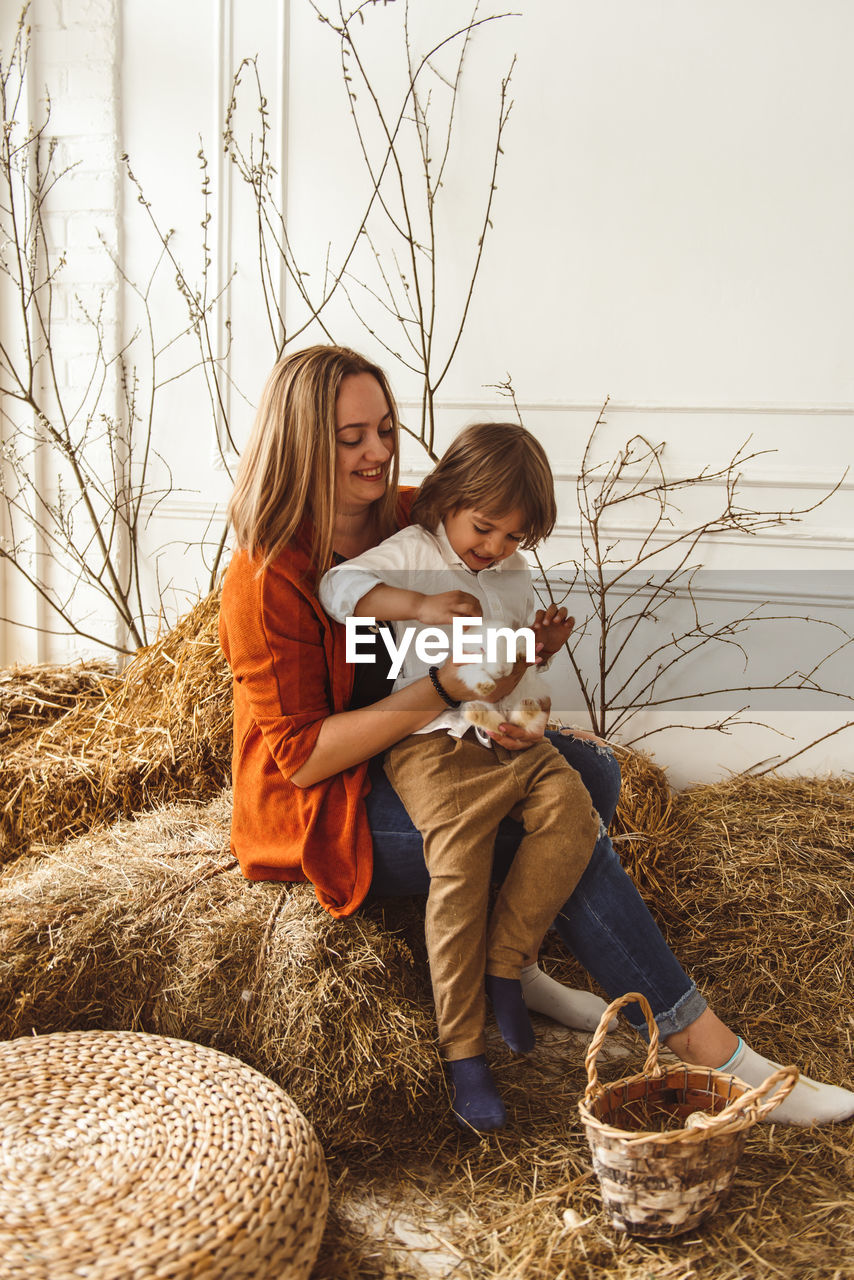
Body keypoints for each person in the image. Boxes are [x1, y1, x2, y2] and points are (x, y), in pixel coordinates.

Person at [218, 343, 854, 1133]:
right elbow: (304, 757)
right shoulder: (266, 573)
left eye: (385, 428)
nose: (378, 452)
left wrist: (517, 683)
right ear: (302, 442)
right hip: (321, 799)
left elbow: (492, 623)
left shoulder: (419, 513)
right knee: (543, 826)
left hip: (422, 742)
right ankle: (710, 1048)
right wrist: (449, 690)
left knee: (591, 778)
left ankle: (512, 961)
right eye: (351, 438)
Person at [318, 422, 603, 1129]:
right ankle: (464, 1054)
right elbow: (336, 586)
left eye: (514, 538)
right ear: (450, 496)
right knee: (460, 867)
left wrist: (533, 654)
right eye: (485, 529)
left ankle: (507, 965)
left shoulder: (510, 573)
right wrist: (415, 604)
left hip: (499, 732)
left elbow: (499, 669)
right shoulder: (413, 553)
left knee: (573, 810)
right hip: (429, 742)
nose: (497, 548)